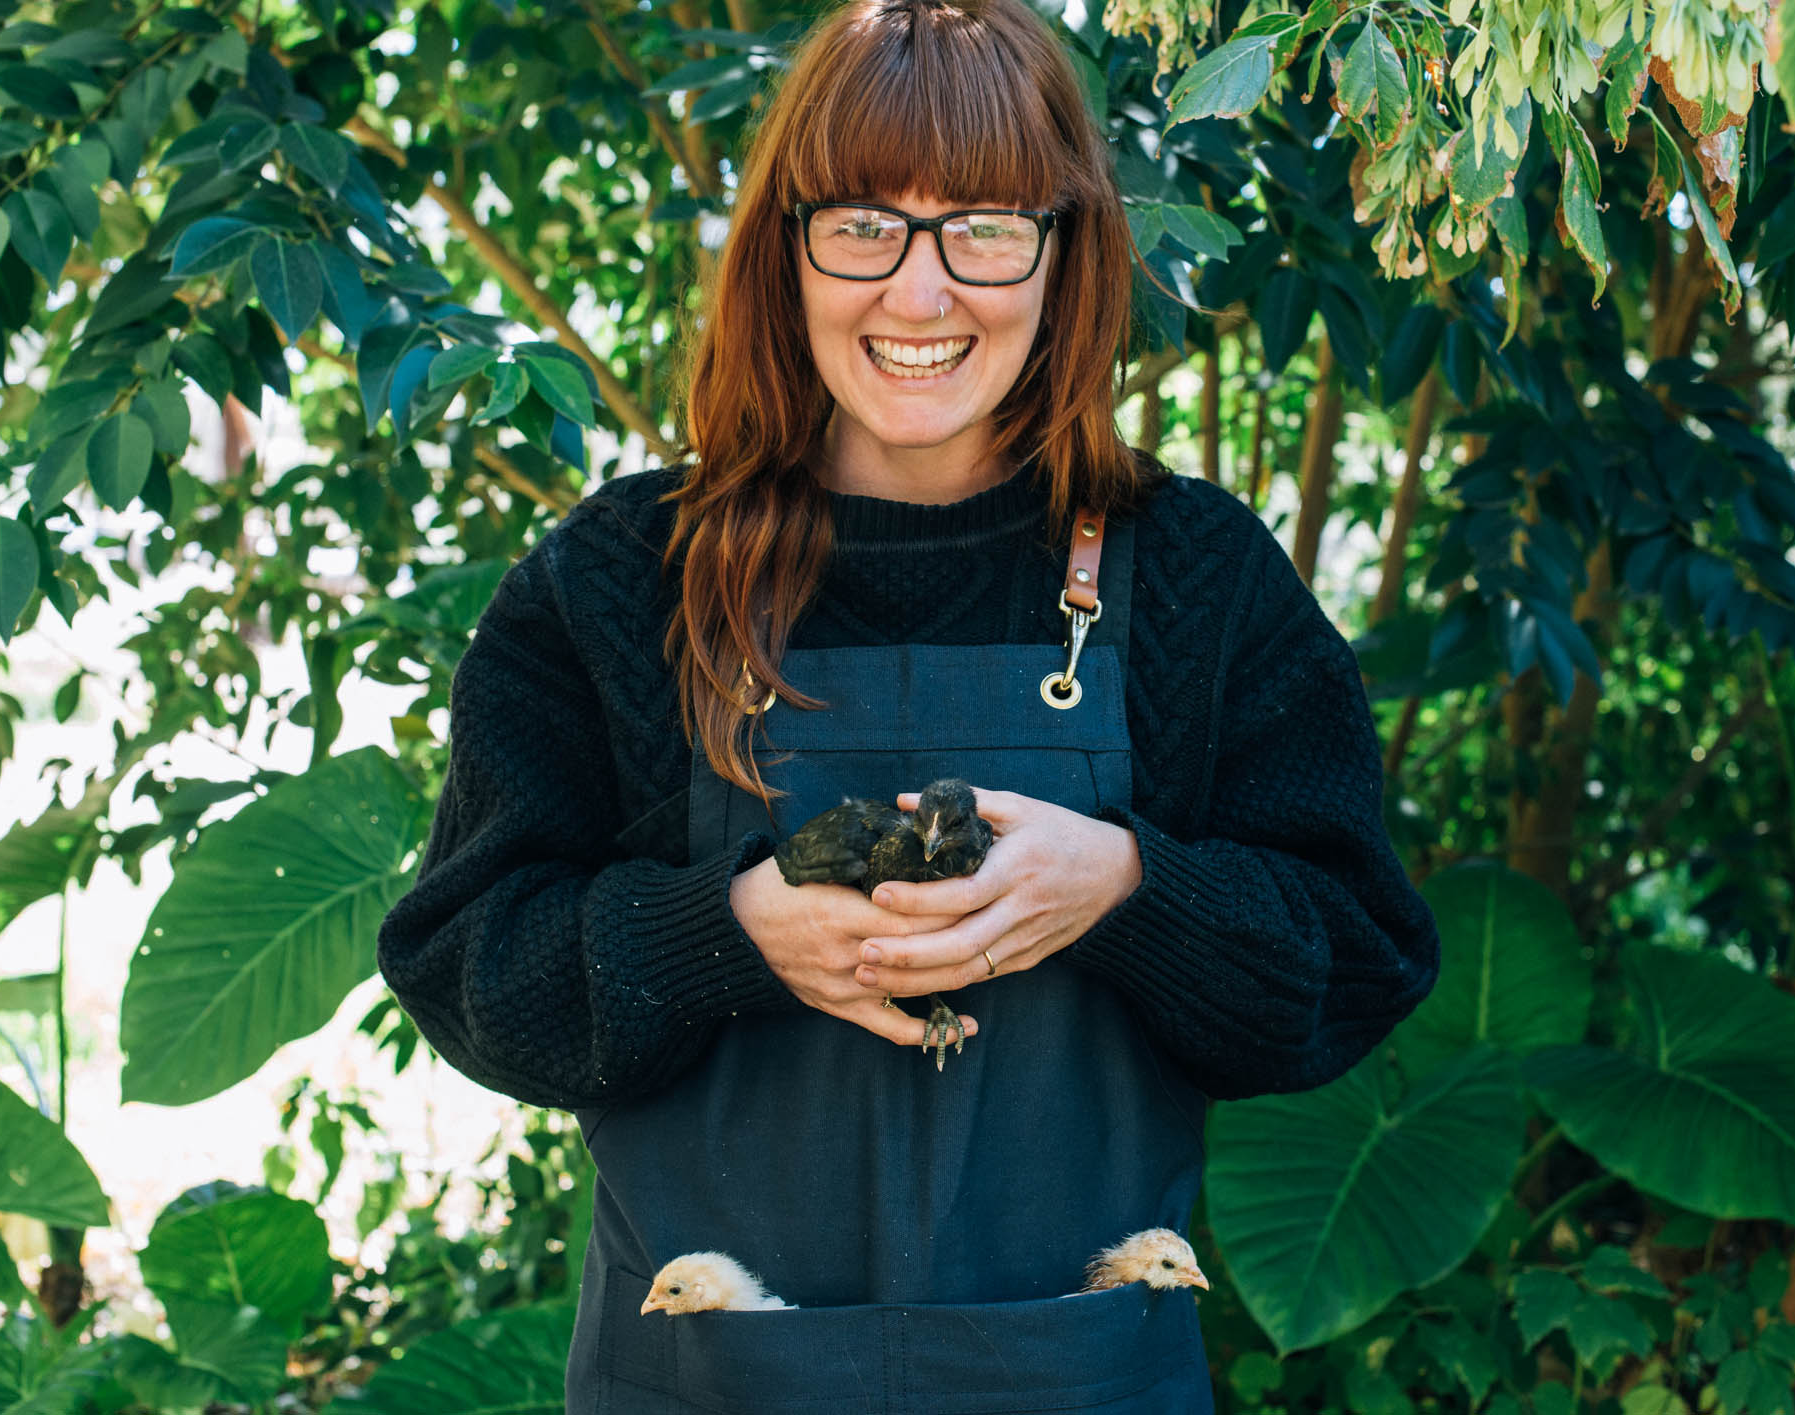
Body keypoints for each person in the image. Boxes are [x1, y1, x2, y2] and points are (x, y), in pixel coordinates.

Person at [375, 0, 1442, 1408]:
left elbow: (1355, 960)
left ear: (1064, 255)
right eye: (865, 224)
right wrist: (724, 937)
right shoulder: (621, 581)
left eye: (985, 228)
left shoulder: (1198, 577)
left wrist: (1127, 890)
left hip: (1078, 1379)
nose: (921, 294)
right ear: (787, 250)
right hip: (708, 1381)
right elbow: (468, 970)